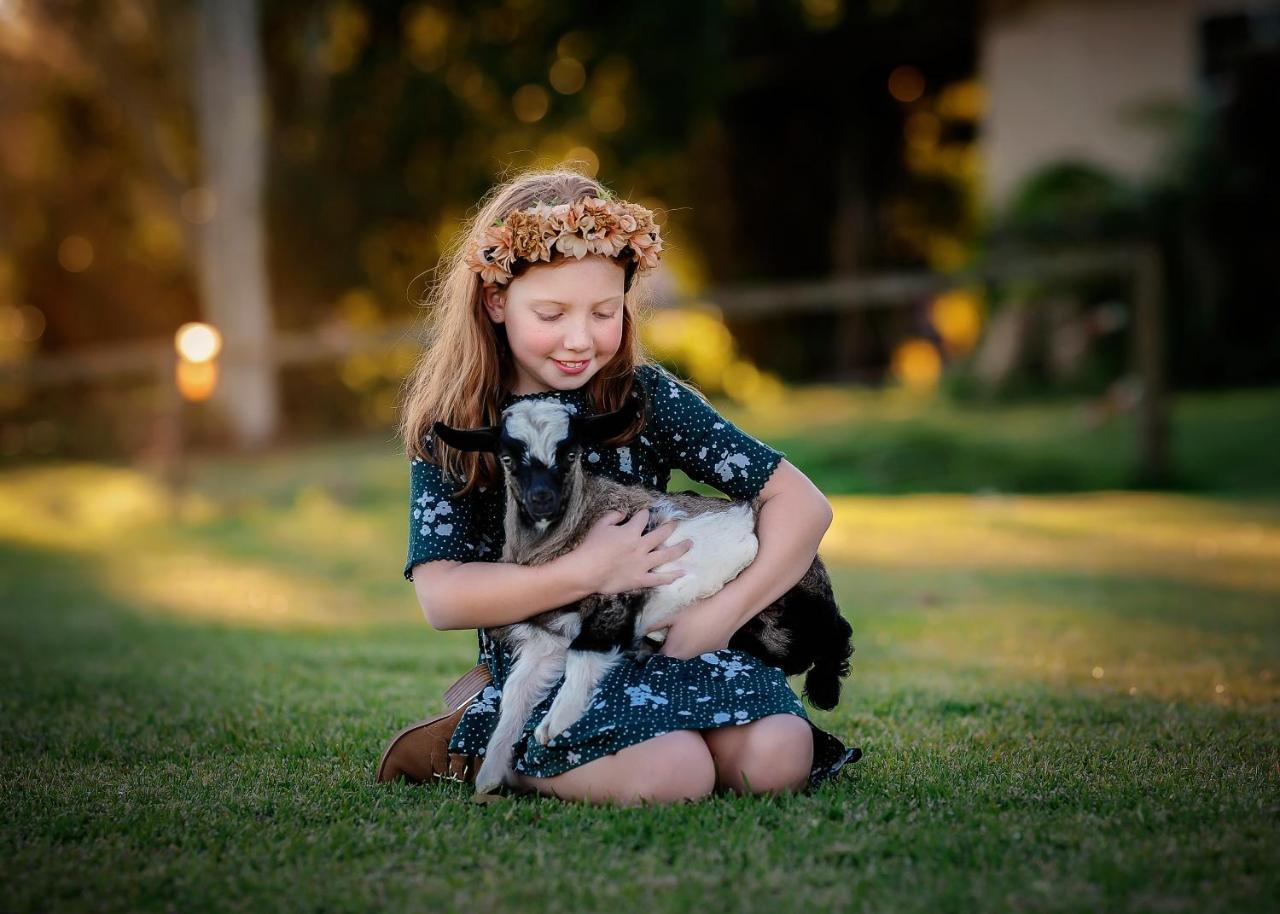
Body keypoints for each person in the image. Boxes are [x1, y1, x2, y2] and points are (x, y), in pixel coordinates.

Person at [397, 167, 860, 806]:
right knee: (675, 776)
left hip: (674, 638)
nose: (580, 338)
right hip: (558, 658)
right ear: (496, 301)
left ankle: (666, 735)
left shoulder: (643, 397)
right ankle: (484, 744)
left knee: (778, 759)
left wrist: (720, 616)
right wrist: (589, 571)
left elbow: (803, 505)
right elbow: (442, 598)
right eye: (552, 313)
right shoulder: (457, 423)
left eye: (604, 311)